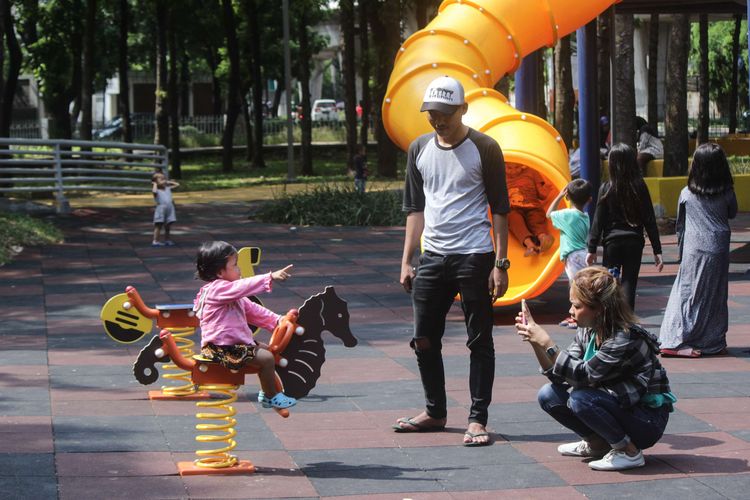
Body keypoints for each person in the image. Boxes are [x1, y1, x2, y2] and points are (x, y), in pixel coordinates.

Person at [393, 75, 510, 447]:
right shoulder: (419, 148)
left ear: (462, 109)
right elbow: (415, 208)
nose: (438, 120)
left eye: (445, 113)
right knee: (423, 338)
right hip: (432, 256)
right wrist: (407, 260)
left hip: (475, 255)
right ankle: (435, 411)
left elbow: (501, 209)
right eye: (432, 114)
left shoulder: (485, 147)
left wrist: (501, 264)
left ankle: (477, 419)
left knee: (480, 340)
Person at [515, 266, 675, 471]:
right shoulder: (589, 331)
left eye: (576, 306)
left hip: (647, 420)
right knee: (549, 395)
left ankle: (629, 451)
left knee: (581, 398)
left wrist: (547, 342)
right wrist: (535, 341)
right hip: (620, 407)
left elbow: (583, 374)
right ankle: (597, 444)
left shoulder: (623, 338)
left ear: (599, 308)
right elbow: (559, 376)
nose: (570, 311)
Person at [194, 241, 297, 409]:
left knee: (268, 351)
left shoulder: (231, 294)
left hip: (233, 345)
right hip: (219, 349)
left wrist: (279, 320)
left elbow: (254, 311)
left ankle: (267, 389)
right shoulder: (217, 290)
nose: (239, 269)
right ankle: (271, 396)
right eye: (235, 265)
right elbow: (244, 286)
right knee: (267, 358)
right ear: (220, 272)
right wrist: (269, 277)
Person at [659, 143, 738, 357]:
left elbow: (680, 224)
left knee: (687, 294)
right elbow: (733, 213)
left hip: (694, 248)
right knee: (714, 294)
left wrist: (680, 250)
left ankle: (675, 339)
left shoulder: (686, 193)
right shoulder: (727, 192)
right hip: (719, 247)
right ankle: (711, 340)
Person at [587, 143, 663, 310]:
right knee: (630, 282)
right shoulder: (640, 186)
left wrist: (591, 248)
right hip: (634, 242)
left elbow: (598, 221)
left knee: (610, 284)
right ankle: (627, 324)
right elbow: (649, 219)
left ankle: (611, 320)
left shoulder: (606, 188)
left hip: (612, 243)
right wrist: (657, 250)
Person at [546, 178, 593, 329]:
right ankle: (581, 315)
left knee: (576, 288)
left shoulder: (568, 215)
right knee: (582, 286)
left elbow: (549, 213)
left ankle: (578, 316)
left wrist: (559, 195)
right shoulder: (585, 216)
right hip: (583, 253)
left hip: (573, 256)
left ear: (568, 196)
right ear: (589, 199)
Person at [507, 162, 554, 256]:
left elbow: (542, 194)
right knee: (514, 220)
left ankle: (543, 238)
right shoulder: (500, 176)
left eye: (517, 167)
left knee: (536, 219)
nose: (513, 171)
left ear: (523, 165)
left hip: (533, 206)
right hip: (513, 208)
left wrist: (548, 188)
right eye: (509, 168)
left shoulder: (531, 172)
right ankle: (530, 245)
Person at [151, 171, 179, 247]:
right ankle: (155, 240)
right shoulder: (156, 191)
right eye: (161, 179)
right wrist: (155, 184)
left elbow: (177, 184)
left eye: (164, 178)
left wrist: (167, 181)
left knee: (168, 225)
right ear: (155, 182)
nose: (163, 180)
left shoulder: (167, 188)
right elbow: (154, 190)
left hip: (170, 208)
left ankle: (167, 240)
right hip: (161, 209)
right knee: (158, 225)